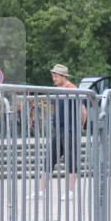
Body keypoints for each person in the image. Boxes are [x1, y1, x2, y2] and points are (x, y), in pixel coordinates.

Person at [34, 64, 86, 201]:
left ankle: (70, 192)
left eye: (56, 76)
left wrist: (80, 126)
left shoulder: (72, 89)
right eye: (53, 75)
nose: (53, 78)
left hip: (70, 129)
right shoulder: (58, 89)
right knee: (49, 159)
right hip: (59, 129)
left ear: (64, 76)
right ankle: (41, 191)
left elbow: (82, 110)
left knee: (71, 161)